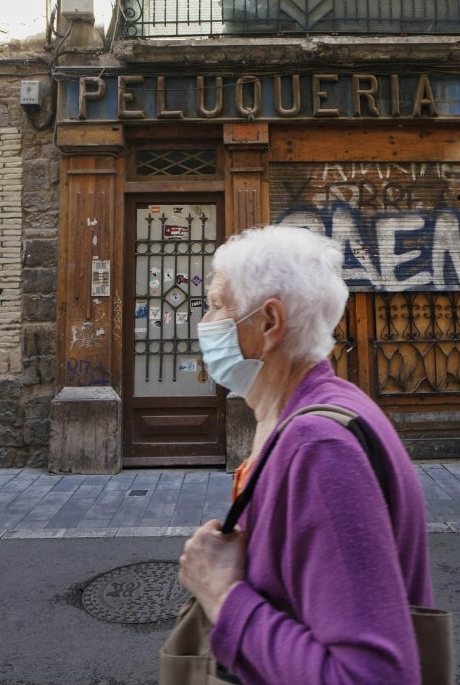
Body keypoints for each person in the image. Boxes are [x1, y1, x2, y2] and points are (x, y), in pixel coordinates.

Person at [178, 224, 434, 685]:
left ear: (269, 323)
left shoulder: (319, 449)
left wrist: (222, 595)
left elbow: (371, 677)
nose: (205, 322)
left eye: (217, 305)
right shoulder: (316, 413)